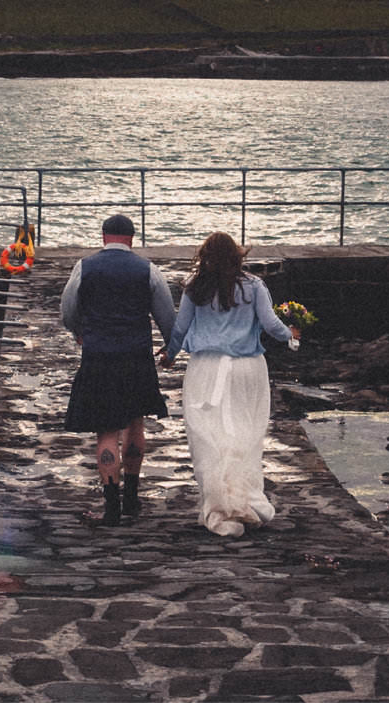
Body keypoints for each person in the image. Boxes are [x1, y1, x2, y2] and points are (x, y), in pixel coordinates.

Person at [160, 232, 295, 537]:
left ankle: (221, 506)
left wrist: (169, 355)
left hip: (206, 369)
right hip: (248, 369)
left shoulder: (195, 288)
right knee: (245, 435)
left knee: (209, 438)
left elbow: (180, 328)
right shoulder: (254, 286)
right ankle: (245, 500)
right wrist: (292, 336)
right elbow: (271, 324)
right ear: (237, 255)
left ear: (205, 256)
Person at [60, 213, 177, 526]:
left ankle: (111, 509)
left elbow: (67, 310)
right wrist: (170, 348)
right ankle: (132, 501)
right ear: (131, 239)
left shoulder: (84, 267)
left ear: (103, 237)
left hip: (98, 356)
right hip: (136, 357)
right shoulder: (148, 270)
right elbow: (167, 316)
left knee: (106, 430)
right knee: (135, 423)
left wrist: (79, 332)